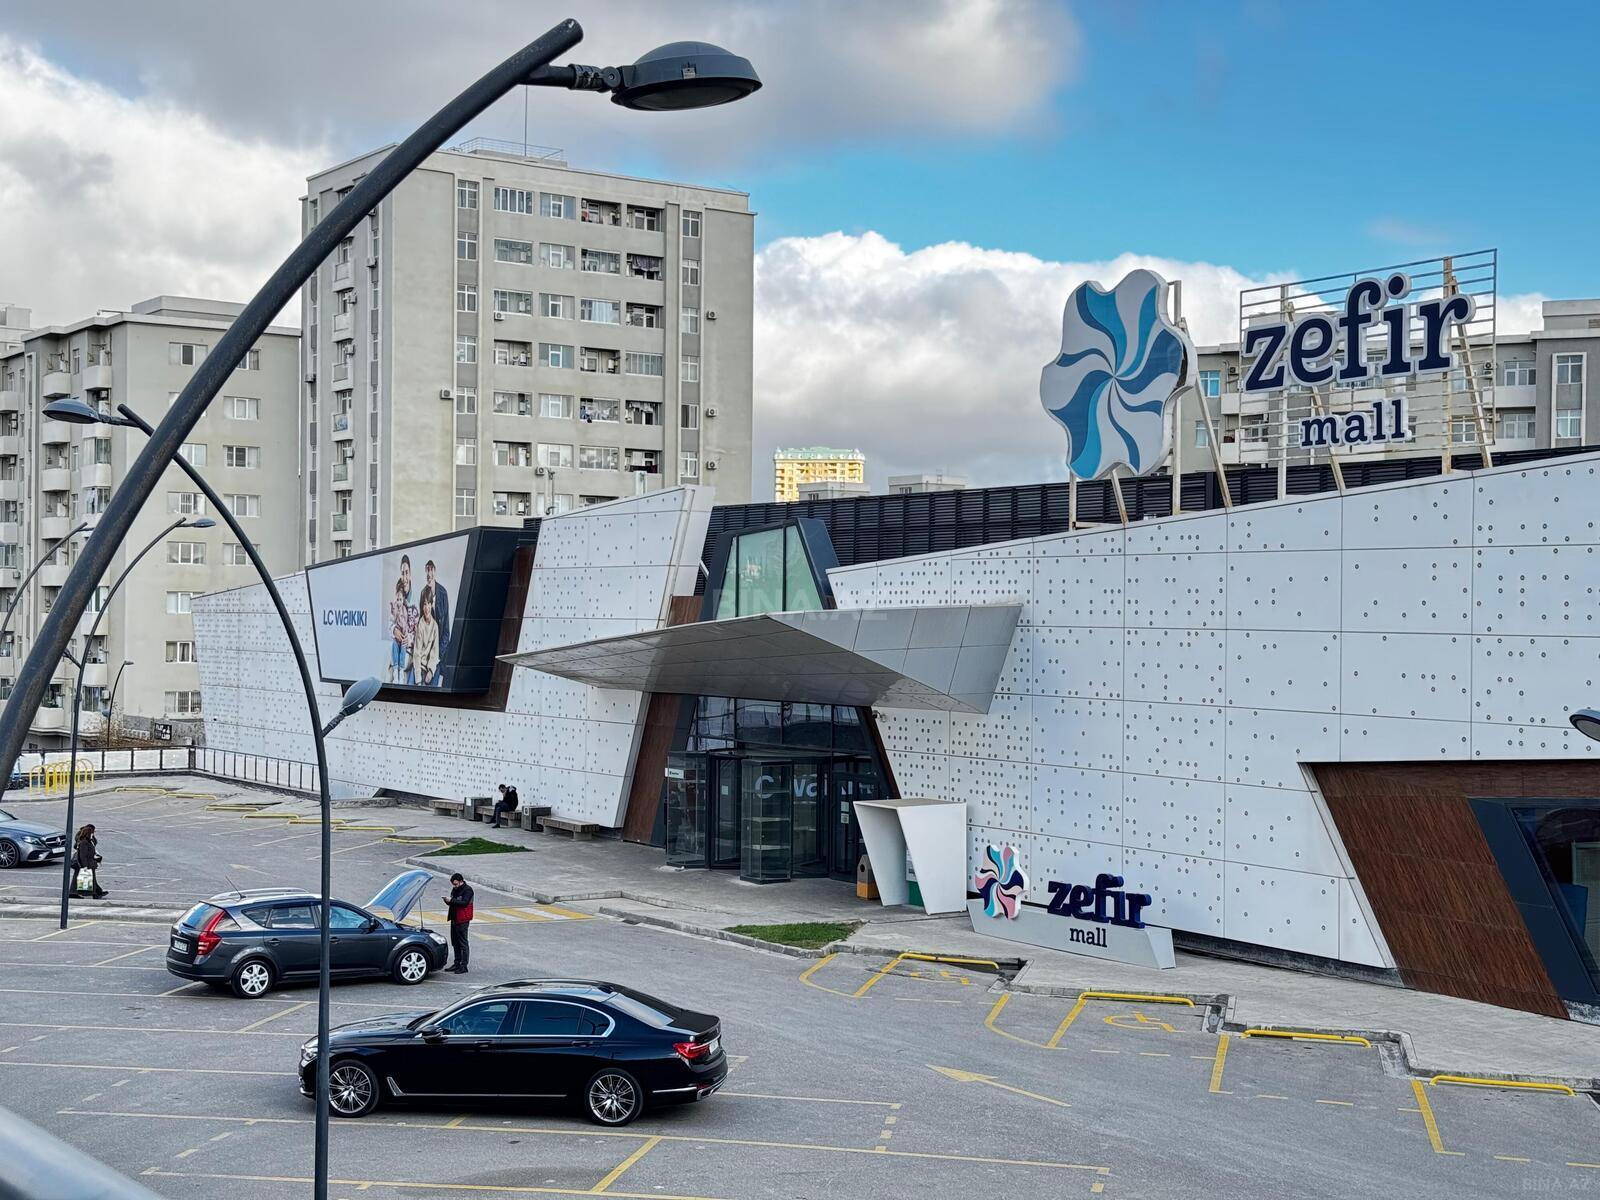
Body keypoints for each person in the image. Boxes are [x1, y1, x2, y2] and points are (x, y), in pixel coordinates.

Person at [388, 554, 417, 685]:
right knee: (389, 665)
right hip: (397, 642)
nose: (404, 577)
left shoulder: (416, 598)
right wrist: (394, 630)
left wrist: (409, 638)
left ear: (410, 574)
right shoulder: (397, 597)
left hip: (409, 647)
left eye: (406, 573)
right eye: (402, 573)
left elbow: (418, 628)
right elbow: (390, 622)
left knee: (402, 665)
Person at [444, 872, 473, 973]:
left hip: (462, 919)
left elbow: (464, 903)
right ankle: (457, 963)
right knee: (455, 943)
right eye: (453, 884)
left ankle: (464, 966)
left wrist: (451, 900)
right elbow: (454, 902)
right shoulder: (455, 889)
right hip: (454, 918)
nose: (454, 886)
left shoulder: (468, 890)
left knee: (463, 943)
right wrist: (448, 901)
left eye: (456, 884)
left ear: (461, 881)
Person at [423, 559, 451, 663]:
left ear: (435, 571)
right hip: (427, 653)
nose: (429, 573)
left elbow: (446, 630)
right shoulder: (423, 594)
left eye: (431, 569)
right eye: (427, 569)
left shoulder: (443, 593)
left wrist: (439, 654)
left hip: (441, 654)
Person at [413, 587, 441, 687]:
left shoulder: (435, 626)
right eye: (424, 604)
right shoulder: (420, 625)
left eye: (429, 603)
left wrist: (431, 670)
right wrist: (418, 679)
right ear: (422, 606)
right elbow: (417, 653)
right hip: (419, 666)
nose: (427, 607)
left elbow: (435, 652)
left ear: (431, 604)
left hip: (429, 667)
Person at [70, 824, 107, 899]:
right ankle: (94, 893)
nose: (93, 834)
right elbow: (83, 855)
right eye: (92, 833)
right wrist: (85, 866)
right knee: (88, 879)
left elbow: (93, 844)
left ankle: (96, 892)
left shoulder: (88, 841)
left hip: (88, 863)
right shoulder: (84, 842)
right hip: (86, 864)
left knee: (88, 879)